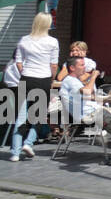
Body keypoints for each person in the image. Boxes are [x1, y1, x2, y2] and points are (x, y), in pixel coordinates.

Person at [9, 12, 60, 162]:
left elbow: (18, 62)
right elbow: (54, 64)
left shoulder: (24, 40)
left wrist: (24, 73)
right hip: (43, 79)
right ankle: (28, 143)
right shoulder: (52, 42)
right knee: (37, 116)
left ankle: (15, 153)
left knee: (21, 117)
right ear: (48, 24)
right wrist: (51, 79)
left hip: (26, 79)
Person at [57, 55, 100, 128]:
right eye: (82, 65)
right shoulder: (71, 81)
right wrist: (93, 77)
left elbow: (83, 96)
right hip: (87, 115)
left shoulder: (74, 80)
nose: (84, 67)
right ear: (72, 68)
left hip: (89, 112)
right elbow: (87, 91)